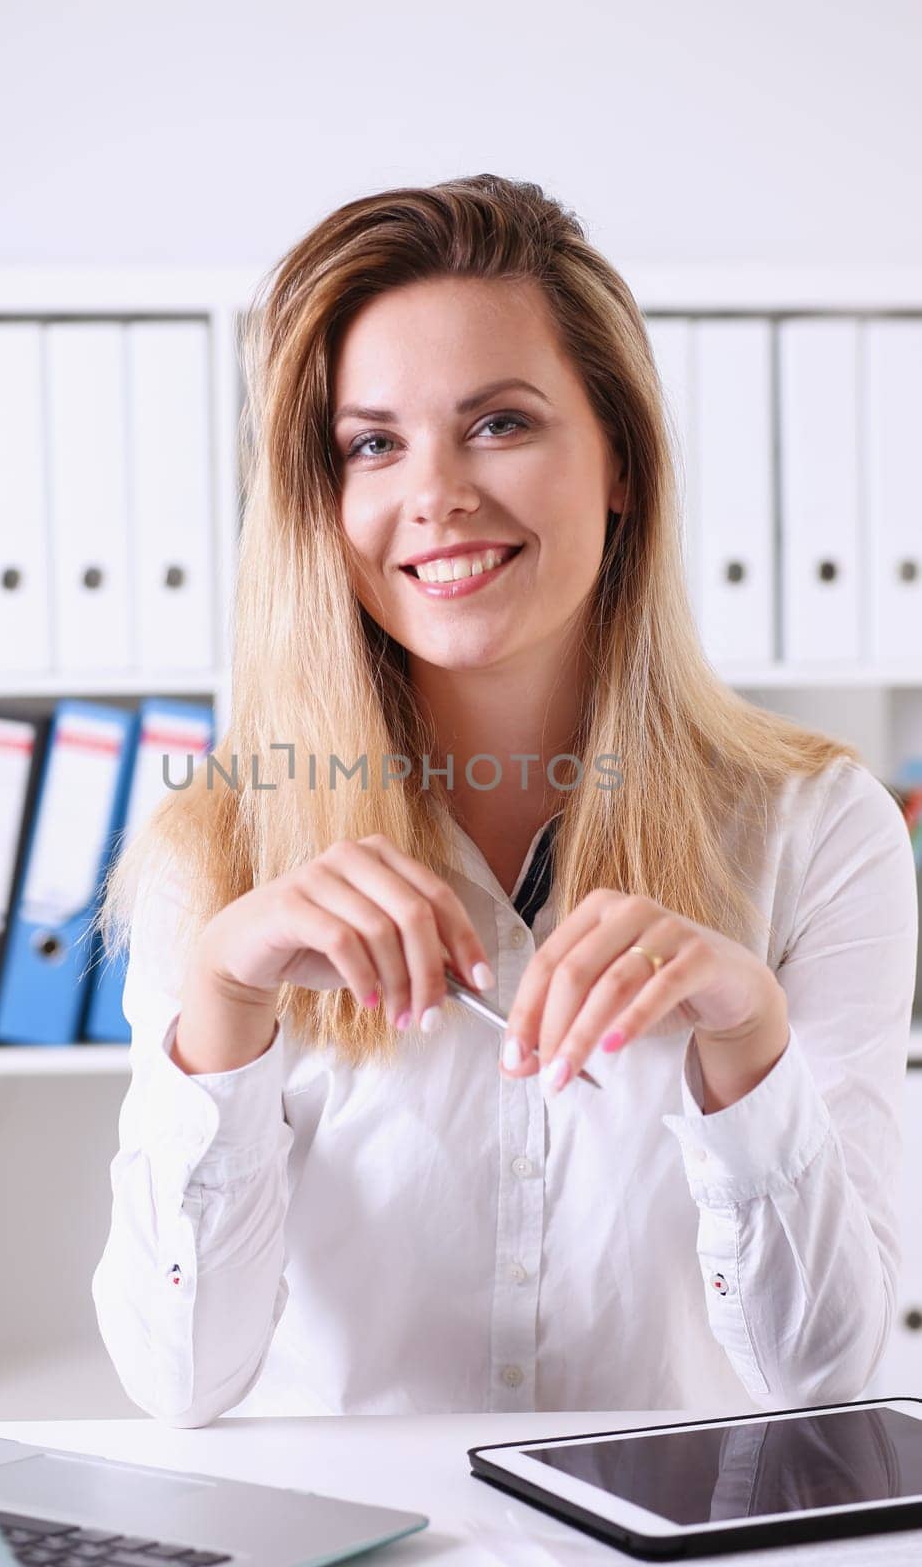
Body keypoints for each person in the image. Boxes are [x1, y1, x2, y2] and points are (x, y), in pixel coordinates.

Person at [90, 173, 918, 1427]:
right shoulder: (212, 851)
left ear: (621, 462)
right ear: (324, 501)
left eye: (498, 424)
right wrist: (223, 1011)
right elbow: (177, 1385)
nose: (433, 495)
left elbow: (821, 1379)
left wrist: (744, 1042)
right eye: (371, 443)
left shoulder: (820, 829)